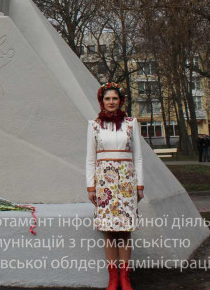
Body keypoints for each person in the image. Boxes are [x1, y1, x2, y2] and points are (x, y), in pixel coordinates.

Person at [86, 82, 144, 290]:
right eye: (107, 99)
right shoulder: (93, 125)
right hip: (104, 184)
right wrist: (90, 186)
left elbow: (137, 157)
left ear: (121, 101)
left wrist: (140, 184)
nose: (111, 102)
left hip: (127, 181)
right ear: (102, 101)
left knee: (125, 230)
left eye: (115, 98)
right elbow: (90, 159)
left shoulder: (131, 123)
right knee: (109, 231)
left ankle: (125, 277)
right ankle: (112, 278)